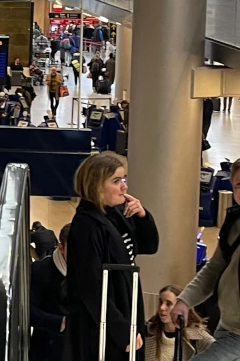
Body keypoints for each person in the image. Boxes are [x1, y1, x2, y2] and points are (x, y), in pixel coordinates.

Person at [65, 153, 159, 361]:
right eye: (116, 181)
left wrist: (143, 217)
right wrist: (122, 331)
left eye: (123, 179)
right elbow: (91, 288)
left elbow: (149, 247)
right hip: (105, 325)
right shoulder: (86, 226)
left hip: (127, 306)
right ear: (96, 185)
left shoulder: (114, 213)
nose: (124, 187)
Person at [170, 158, 240, 359]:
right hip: (227, 325)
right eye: (239, 184)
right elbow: (214, 268)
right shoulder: (234, 224)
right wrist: (185, 300)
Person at [30, 223, 70, 361]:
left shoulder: (92, 273)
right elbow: (28, 311)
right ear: (61, 248)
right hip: (47, 349)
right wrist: (61, 323)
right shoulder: (40, 270)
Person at [145, 286, 213, 360]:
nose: (162, 307)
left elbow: (221, 352)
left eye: (168, 304)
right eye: (161, 302)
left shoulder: (198, 336)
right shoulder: (148, 331)